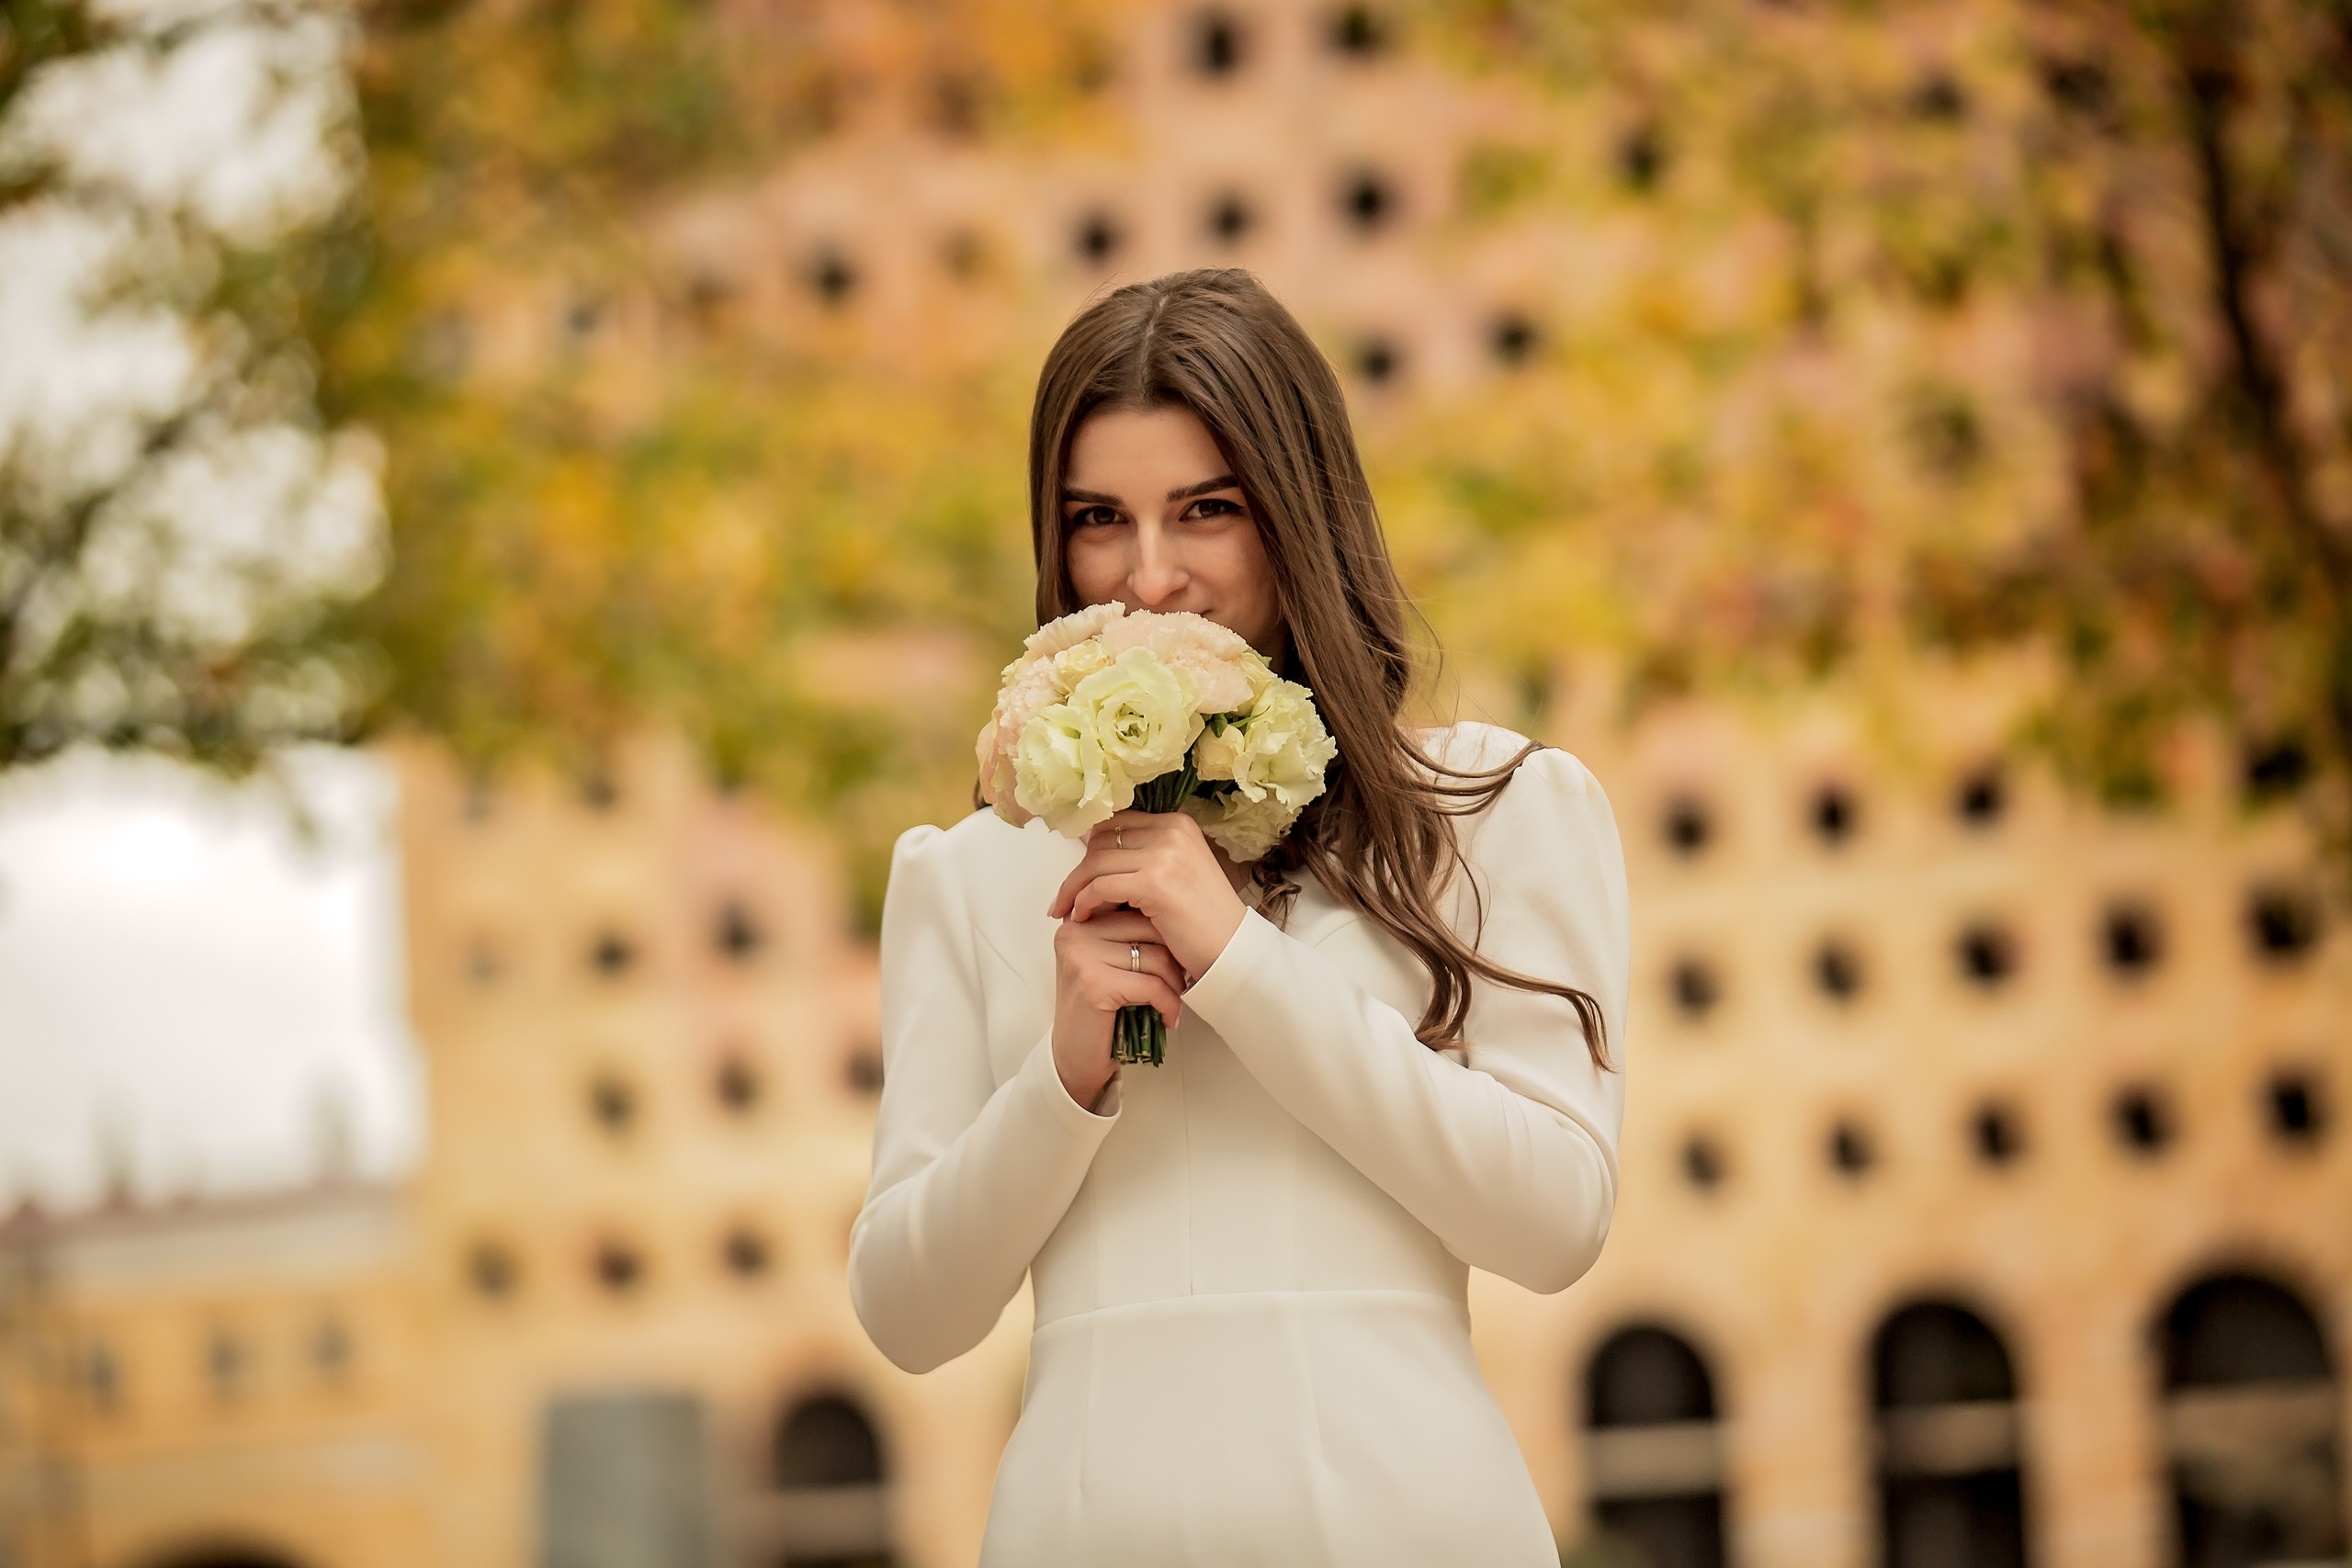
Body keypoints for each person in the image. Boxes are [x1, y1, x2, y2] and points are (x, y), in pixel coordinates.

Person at [849, 268, 1629, 1566]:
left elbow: (1556, 1221)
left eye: (1206, 509)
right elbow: (910, 1314)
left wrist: (1239, 964)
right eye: (1099, 518)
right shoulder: (969, 871)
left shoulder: (1497, 808)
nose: (1152, 575)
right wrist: (1062, 1078)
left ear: (1298, 511)